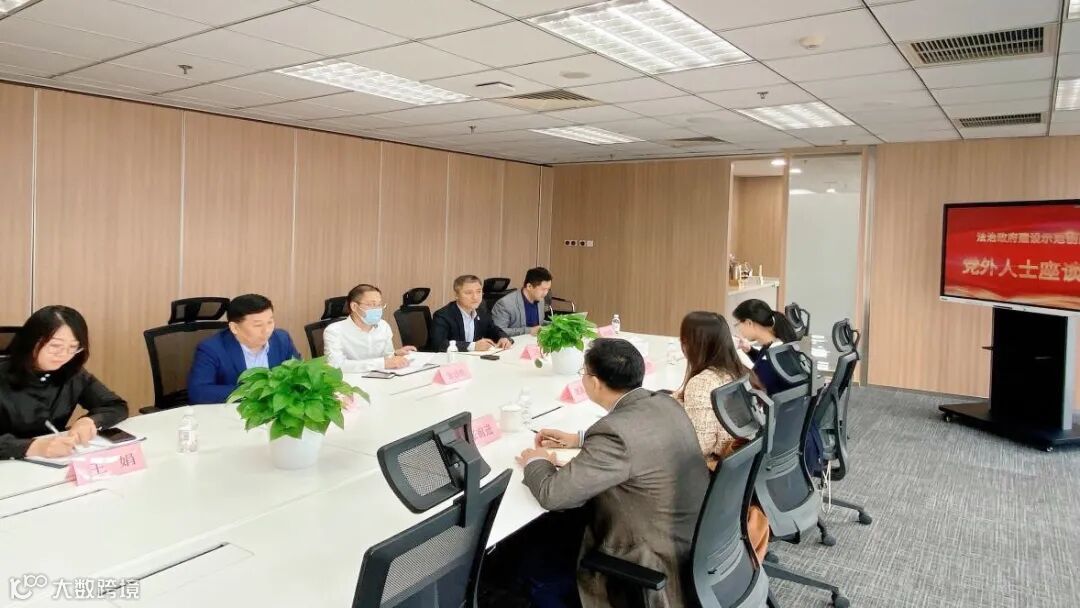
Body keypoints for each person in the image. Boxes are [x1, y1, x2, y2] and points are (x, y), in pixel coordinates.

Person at [517, 338, 708, 608]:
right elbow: (642, 438)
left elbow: (553, 495)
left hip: (648, 556)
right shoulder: (665, 403)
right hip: (691, 539)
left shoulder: (614, 433)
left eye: (583, 373)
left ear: (595, 382)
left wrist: (537, 460)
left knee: (529, 561)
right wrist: (580, 439)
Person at [673, 310, 770, 563]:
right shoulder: (739, 371)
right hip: (741, 477)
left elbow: (699, 448)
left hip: (711, 480)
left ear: (691, 343)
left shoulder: (702, 382)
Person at [0, 306, 128, 460]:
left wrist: (90, 421)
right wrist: (33, 447)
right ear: (31, 341)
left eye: (73, 347)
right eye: (55, 346)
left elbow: (116, 406)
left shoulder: (72, 373)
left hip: (54, 462)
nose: (64, 355)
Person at [187, 294, 300, 404]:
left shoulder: (282, 340)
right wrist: (254, 391)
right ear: (234, 328)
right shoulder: (212, 349)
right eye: (258, 325)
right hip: (233, 411)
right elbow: (198, 392)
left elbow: (300, 376)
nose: (267, 330)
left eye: (270, 322)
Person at [323, 284, 416, 373]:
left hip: (381, 379)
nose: (377, 309)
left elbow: (387, 357)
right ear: (354, 306)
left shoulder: (383, 326)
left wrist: (395, 354)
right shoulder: (334, 331)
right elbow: (335, 365)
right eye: (372, 304)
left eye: (379, 305)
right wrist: (382, 364)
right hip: (351, 381)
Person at [731, 298, 799, 395]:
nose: (738, 330)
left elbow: (759, 383)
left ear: (749, 323)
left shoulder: (771, 362)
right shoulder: (777, 345)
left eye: (737, 324)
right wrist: (750, 350)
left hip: (769, 402)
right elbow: (763, 361)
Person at [431, 275, 512, 352]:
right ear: (456, 295)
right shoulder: (443, 315)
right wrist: (473, 346)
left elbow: (494, 330)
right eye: (469, 293)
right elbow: (439, 344)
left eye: (478, 292)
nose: (475, 297)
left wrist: (503, 338)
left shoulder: (482, 312)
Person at [492, 267, 552, 337]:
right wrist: (529, 331)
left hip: (535, 342)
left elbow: (538, 324)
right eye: (543, 289)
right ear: (529, 286)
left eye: (548, 289)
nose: (546, 293)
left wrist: (553, 324)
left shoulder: (540, 300)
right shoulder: (505, 304)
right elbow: (498, 332)